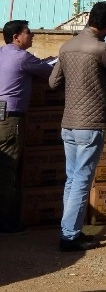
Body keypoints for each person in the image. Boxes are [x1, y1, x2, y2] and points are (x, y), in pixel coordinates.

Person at [50, 1, 106, 252]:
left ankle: (68, 229)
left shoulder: (67, 46)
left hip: (69, 123)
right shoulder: (101, 48)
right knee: (82, 180)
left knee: (72, 179)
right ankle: (70, 236)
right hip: (91, 123)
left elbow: (53, 82)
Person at [0, 20, 54, 235]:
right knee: (8, 170)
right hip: (12, 118)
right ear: (16, 37)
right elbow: (48, 72)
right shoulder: (23, 57)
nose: (32, 37)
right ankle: (5, 222)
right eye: (28, 33)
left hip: (1, 112)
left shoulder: (3, 53)